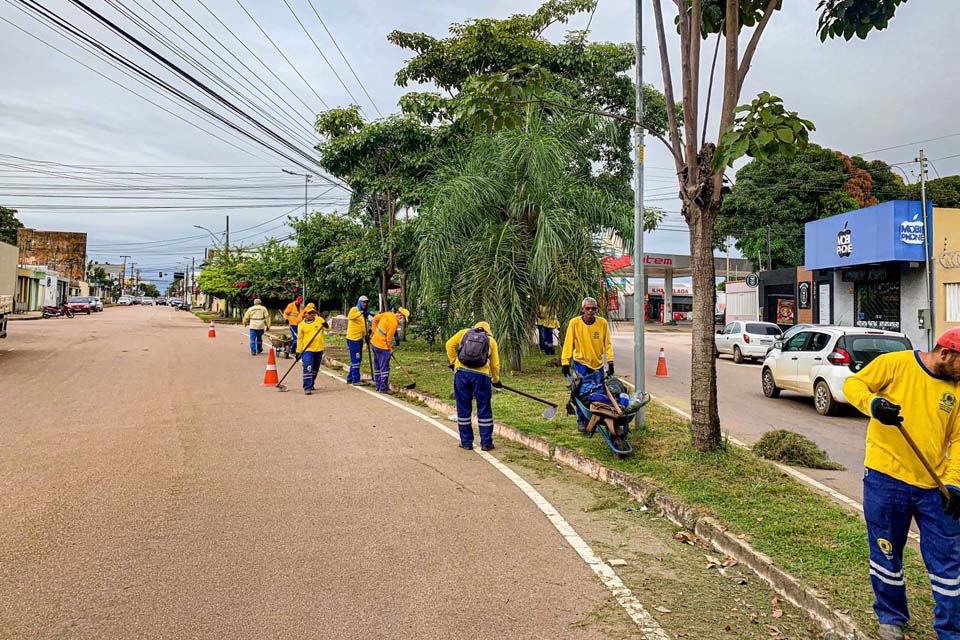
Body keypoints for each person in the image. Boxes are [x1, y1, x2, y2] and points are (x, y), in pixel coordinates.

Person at [843, 328, 960, 640]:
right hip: (886, 478)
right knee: (887, 552)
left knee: (949, 560)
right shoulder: (895, 364)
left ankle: (951, 629)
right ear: (946, 354)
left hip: (934, 488)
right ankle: (891, 617)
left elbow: (959, 440)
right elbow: (853, 383)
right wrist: (874, 405)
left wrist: (955, 484)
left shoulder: (957, 390)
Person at [560, 297, 614, 432]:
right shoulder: (575, 323)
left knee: (599, 392)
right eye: (588, 308)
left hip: (597, 364)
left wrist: (610, 361)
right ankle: (582, 421)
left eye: (593, 308)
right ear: (583, 309)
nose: (590, 311)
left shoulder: (602, 323)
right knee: (580, 393)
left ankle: (596, 418)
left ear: (597, 310)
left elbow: (607, 344)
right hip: (581, 363)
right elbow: (568, 343)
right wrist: (565, 361)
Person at [446, 321, 502, 451]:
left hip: (461, 374)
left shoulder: (464, 333)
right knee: (484, 408)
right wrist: (495, 380)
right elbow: (495, 365)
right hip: (481, 376)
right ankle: (486, 443)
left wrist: (454, 362)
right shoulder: (490, 341)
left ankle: (466, 442)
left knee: (463, 407)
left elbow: (449, 345)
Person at [369, 306, 410, 393]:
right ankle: (383, 387)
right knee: (385, 368)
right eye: (403, 318)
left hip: (374, 343)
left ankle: (378, 385)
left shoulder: (387, 314)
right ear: (401, 316)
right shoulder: (394, 323)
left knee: (378, 367)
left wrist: (374, 331)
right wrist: (390, 349)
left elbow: (375, 319)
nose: (402, 321)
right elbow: (389, 340)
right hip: (382, 346)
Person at [296, 303, 328, 395]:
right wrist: (298, 351)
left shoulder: (319, 320)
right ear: (305, 314)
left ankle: (312, 382)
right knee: (308, 367)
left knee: (315, 368)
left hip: (319, 348)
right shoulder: (301, 325)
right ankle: (307, 387)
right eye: (309, 313)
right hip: (307, 349)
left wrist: (326, 326)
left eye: (313, 313)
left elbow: (328, 330)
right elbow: (300, 339)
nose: (311, 315)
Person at [345, 295, 371, 384]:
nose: (365, 304)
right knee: (356, 359)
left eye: (366, 302)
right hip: (353, 339)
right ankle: (356, 380)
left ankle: (350, 378)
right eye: (363, 302)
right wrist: (360, 312)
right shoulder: (354, 309)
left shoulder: (365, 313)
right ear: (360, 302)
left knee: (356, 359)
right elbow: (350, 317)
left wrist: (366, 335)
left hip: (360, 338)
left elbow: (364, 325)